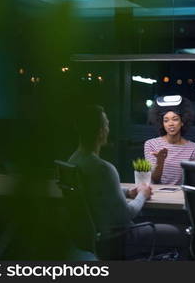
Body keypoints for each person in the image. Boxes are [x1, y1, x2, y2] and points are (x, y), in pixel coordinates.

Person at [69, 105, 186, 258]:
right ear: (101, 132)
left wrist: (128, 192)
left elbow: (97, 190)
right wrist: (142, 194)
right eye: (106, 124)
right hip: (121, 237)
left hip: (96, 236)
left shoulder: (74, 160)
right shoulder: (104, 169)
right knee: (185, 233)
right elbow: (126, 215)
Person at [144, 97, 195, 185]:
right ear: (162, 124)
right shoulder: (151, 144)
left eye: (175, 119)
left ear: (182, 122)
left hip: (180, 195)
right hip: (157, 194)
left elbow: (192, 181)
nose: (170, 124)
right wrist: (160, 161)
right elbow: (154, 179)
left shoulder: (193, 148)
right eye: (166, 120)